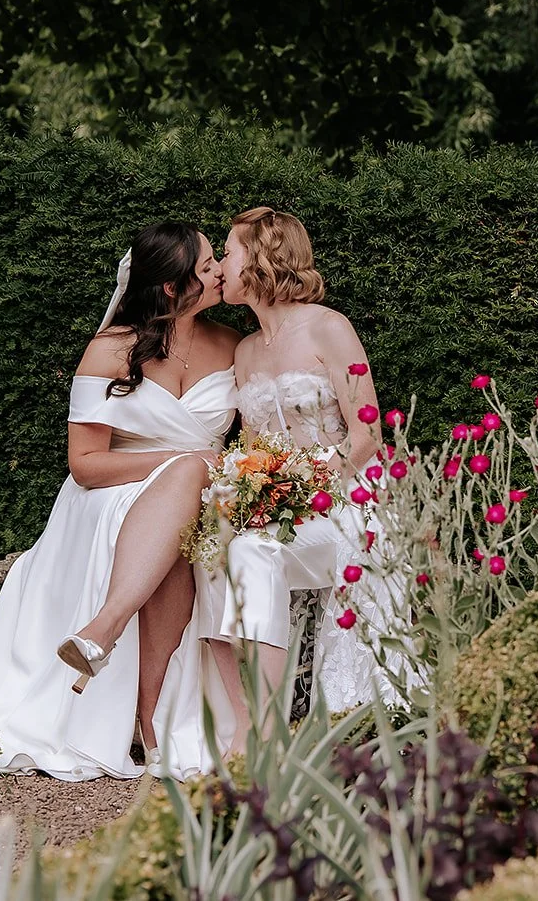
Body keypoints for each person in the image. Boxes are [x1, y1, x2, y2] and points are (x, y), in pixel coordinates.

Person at [0, 221, 239, 780]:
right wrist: (180, 463)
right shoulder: (111, 349)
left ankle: (105, 633)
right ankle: (148, 720)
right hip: (109, 494)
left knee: (185, 515)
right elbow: (84, 464)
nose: (221, 270)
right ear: (172, 287)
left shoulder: (232, 346)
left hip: (202, 496)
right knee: (182, 507)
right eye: (206, 266)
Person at [195, 206, 406, 758]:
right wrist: (249, 490)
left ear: (261, 257)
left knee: (254, 549)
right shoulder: (244, 350)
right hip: (285, 505)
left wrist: (308, 485)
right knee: (218, 550)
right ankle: (254, 722)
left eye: (230, 251)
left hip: (349, 499)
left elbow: (369, 431)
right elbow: (257, 447)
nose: (222, 264)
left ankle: (282, 726)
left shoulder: (327, 326)